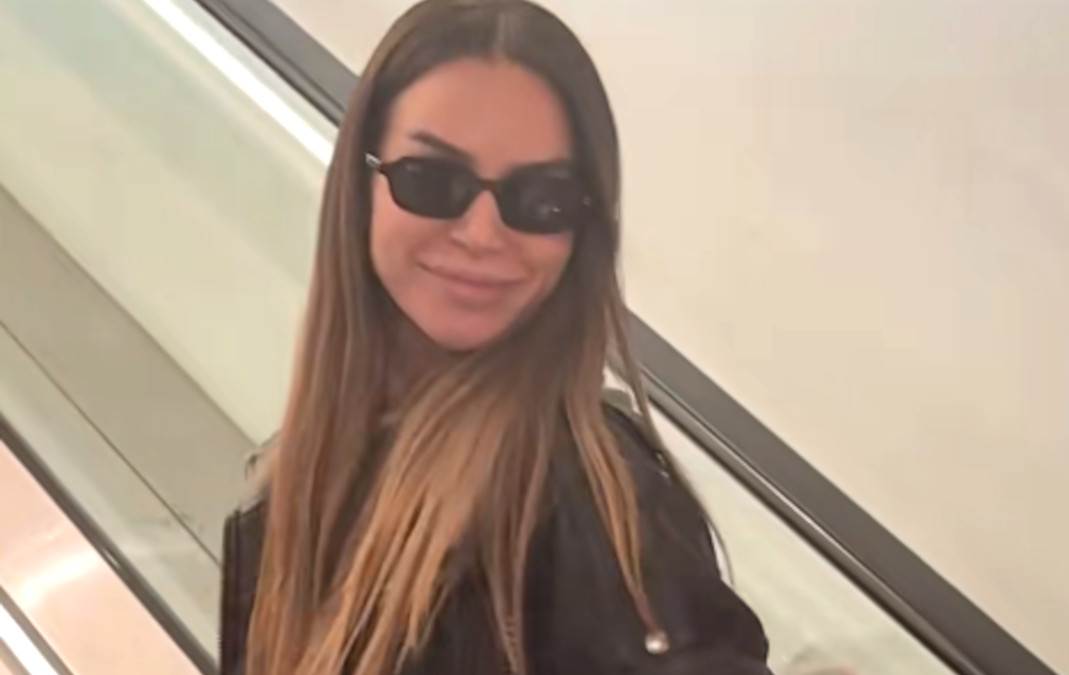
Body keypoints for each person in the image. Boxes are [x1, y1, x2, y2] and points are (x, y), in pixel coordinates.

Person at [219, 1, 771, 673]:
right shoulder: (295, 489)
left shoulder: (585, 501)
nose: (483, 234)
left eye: (541, 199)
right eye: (432, 180)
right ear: (359, 188)